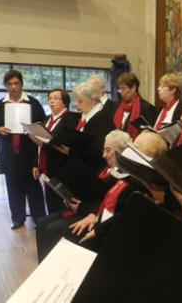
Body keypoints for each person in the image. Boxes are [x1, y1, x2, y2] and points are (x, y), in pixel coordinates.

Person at [35, 129, 133, 261]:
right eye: (104, 150)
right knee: (41, 223)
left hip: (91, 213)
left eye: (108, 150)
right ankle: (44, 269)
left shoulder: (122, 176)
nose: (104, 155)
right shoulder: (106, 168)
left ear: (122, 152)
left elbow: (104, 203)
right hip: (83, 208)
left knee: (53, 229)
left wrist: (82, 208)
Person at [0, 70, 46, 230]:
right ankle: (18, 218)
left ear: (22, 84)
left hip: (30, 153)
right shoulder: (0, 105)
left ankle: (39, 218)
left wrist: (33, 130)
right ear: (6, 86)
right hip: (9, 153)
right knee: (13, 188)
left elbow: (43, 124)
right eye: (10, 84)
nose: (13, 87)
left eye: (16, 83)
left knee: (33, 188)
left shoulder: (32, 103)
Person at [30, 89, 80, 214]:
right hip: (45, 166)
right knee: (50, 204)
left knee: (61, 205)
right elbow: (40, 145)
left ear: (65, 102)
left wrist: (43, 143)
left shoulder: (71, 119)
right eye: (50, 98)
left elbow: (62, 144)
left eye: (56, 98)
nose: (52, 101)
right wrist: (36, 163)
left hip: (60, 168)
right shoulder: (46, 119)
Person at [66, 82, 115, 175]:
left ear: (93, 101)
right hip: (82, 168)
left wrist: (71, 151)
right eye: (76, 101)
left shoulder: (102, 119)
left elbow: (99, 151)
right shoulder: (85, 117)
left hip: (95, 171)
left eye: (80, 101)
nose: (77, 105)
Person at [113, 72, 156, 140]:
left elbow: (149, 135)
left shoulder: (147, 108)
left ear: (133, 88)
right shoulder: (116, 106)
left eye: (124, 88)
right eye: (120, 89)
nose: (121, 92)